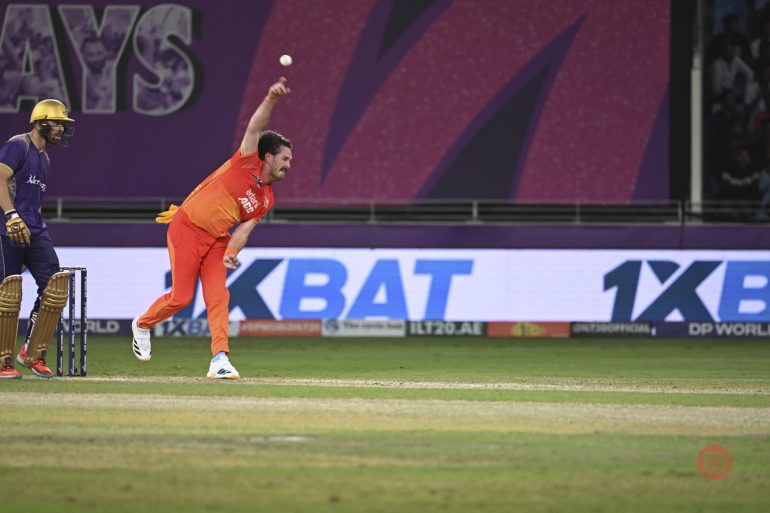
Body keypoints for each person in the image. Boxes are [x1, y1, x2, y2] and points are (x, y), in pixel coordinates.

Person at [131, 77, 292, 379]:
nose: (288, 164)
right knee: (181, 298)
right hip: (187, 228)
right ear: (267, 157)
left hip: (218, 240)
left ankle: (219, 358)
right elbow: (255, 127)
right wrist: (271, 98)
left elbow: (244, 230)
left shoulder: (267, 199)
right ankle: (142, 323)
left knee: (219, 297)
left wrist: (232, 251)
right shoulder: (246, 161)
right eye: (284, 158)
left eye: (291, 161)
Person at [0, 99, 75, 379]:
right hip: (6, 227)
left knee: (54, 288)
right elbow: (0, 177)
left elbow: (35, 199)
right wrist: (11, 215)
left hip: (34, 229)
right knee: (7, 293)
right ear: (40, 122)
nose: (61, 130)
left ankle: (32, 353)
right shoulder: (18, 145)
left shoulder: (44, 158)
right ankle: (2, 362)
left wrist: (36, 223)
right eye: (58, 124)